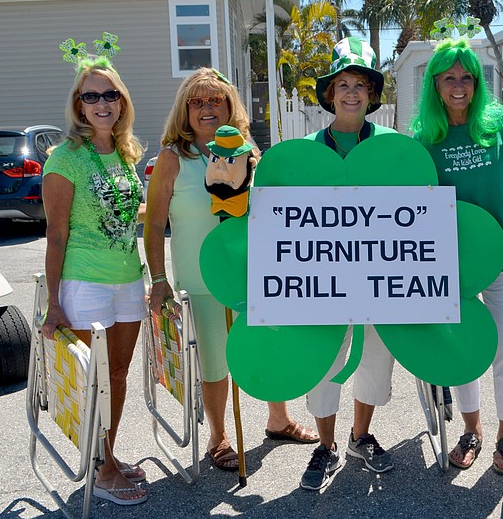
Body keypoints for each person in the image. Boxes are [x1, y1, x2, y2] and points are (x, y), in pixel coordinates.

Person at [144, 68, 318, 474]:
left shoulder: (248, 152)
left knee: (266, 347)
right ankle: (218, 436)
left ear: (230, 106)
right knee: (215, 363)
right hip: (201, 279)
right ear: (185, 111)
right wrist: (157, 280)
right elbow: (153, 223)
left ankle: (279, 419)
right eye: (198, 102)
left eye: (216, 100)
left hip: (253, 274)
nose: (207, 108)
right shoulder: (172, 158)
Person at [410, 38, 503, 474]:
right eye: (449, 77)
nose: (459, 85)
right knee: (465, 349)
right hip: (453, 263)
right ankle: (472, 429)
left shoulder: (500, 125)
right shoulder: (424, 139)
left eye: (467, 77)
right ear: (435, 84)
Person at [42, 54, 148, 505]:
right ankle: (102, 471)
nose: (102, 103)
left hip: (128, 279)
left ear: (121, 102)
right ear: (78, 105)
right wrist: (53, 303)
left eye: (110, 94)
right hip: (85, 284)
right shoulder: (65, 159)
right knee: (94, 379)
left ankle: (107, 456)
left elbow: (125, 217)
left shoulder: (125, 153)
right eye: (92, 96)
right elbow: (56, 233)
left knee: (119, 374)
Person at [299, 37, 398, 491]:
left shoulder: (396, 147)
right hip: (320, 278)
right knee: (323, 360)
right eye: (343, 84)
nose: (352, 92)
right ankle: (327, 445)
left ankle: (361, 436)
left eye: (361, 83)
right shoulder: (305, 150)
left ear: (373, 93)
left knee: (376, 358)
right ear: (330, 93)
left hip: (380, 276)